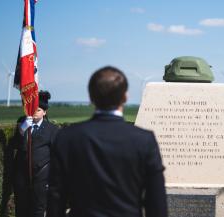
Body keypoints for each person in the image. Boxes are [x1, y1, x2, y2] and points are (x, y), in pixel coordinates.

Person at [47, 66, 168, 217]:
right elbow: (156, 202)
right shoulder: (144, 140)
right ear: (125, 97)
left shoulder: (67, 138)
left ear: (91, 97)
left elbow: (56, 196)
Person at [13, 90, 58, 217]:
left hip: (41, 177)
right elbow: (15, 145)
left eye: (38, 110)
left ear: (44, 112)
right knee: (21, 208)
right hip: (21, 175)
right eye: (32, 109)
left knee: (38, 208)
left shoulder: (52, 130)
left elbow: (56, 155)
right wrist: (22, 129)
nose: (34, 112)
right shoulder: (22, 123)